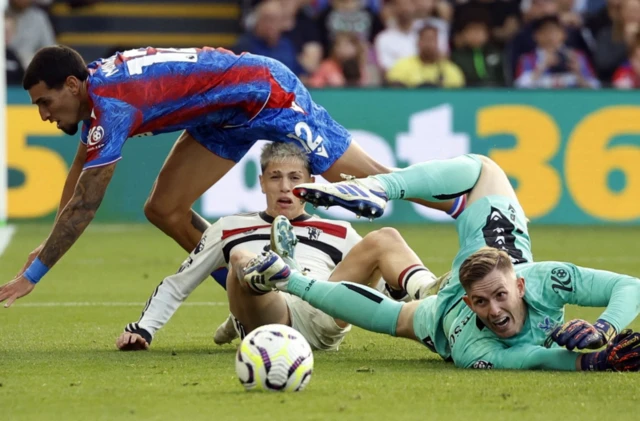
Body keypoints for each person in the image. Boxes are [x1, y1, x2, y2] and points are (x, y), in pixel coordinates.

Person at [0, 45, 464, 308]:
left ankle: (460, 203)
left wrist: (36, 274)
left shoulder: (112, 105)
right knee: (163, 210)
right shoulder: (97, 91)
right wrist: (52, 234)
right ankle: (260, 300)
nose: (42, 114)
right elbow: (82, 166)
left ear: (73, 86)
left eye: (44, 102)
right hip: (222, 116)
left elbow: (86, 203)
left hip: (267, 94)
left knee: (378, 180)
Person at [241, 154, 640, 371]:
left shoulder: (475, 335)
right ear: (471, 301)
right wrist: (593, 359)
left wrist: (603, 329)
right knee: (483, 170)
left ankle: (375, 193)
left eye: (500, 297)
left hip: (439, 308)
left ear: (520, 285)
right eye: (484, 302)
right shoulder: (479, 335)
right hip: (478, 266)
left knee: (398, 317)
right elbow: (540, 357)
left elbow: (631, 287)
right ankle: (375, 189)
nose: (495, 312)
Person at [115, 143, 434, 351]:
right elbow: (179, 283)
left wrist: (398, 291)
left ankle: (433, 298)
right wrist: (143, 329)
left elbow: (372, 287)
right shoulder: (229, 228)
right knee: (242, 258)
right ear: (261, 181)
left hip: (324, 311)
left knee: (385, 238)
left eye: (296, 178)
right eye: (275, 177)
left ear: (312, 182)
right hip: (271, 321)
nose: (285, 187)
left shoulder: (338, 230)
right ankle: (280, 269)